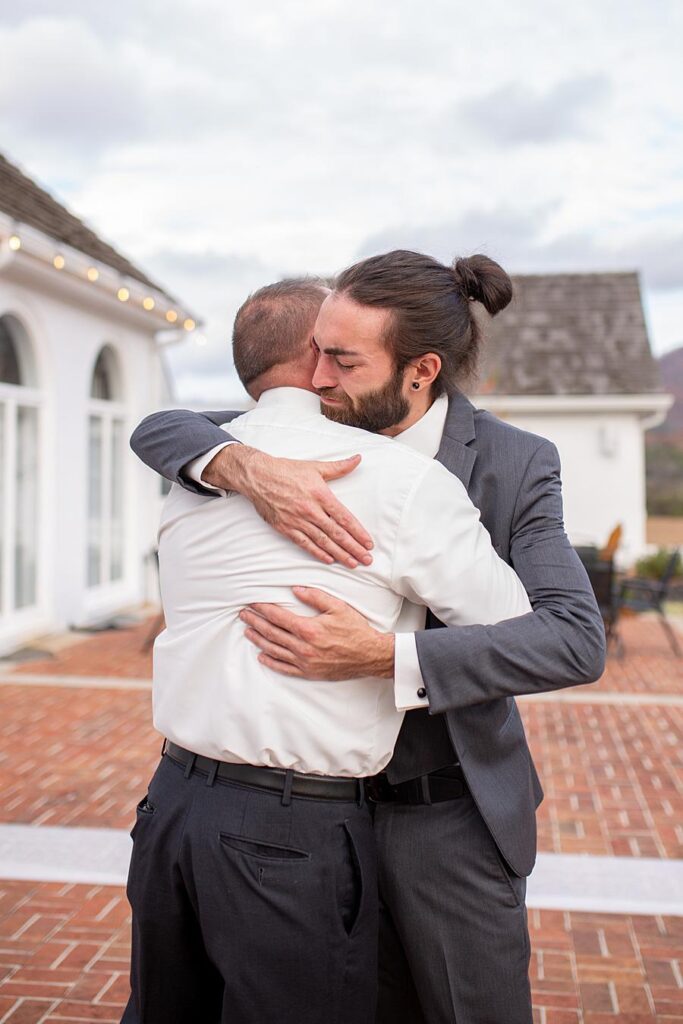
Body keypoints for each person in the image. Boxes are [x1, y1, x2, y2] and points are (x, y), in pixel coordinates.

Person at [131, 251, 606, 1024]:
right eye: (316, 348)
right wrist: (242, 464)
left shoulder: (515, 464)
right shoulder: (277, 434)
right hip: (297, 827)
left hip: (441, 818)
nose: (315, 377)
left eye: (341, 360)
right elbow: (162, 429)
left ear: (419, 371)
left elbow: (572, 639)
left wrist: (389, 659)